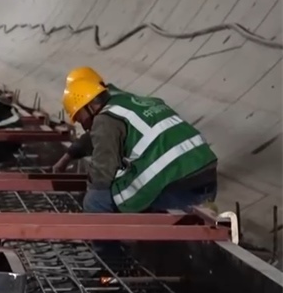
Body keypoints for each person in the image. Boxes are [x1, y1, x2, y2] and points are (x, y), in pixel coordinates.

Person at [62, 79, 218, 214]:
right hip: (206, 174)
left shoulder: (104, 120)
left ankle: (117, 241)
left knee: (95, 201)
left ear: (88, 106)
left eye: (79, 117)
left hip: (175, 183)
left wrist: (90, 185)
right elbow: (96, 138)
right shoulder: (133, 102)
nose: (83, 125)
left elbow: (102, 176)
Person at [52, 67, 125, 172]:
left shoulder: (108, 117)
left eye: (80, 119)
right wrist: (66, 158)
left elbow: (102, 173)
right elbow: (92, 136)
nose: (85, 127)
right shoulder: (116, 99)